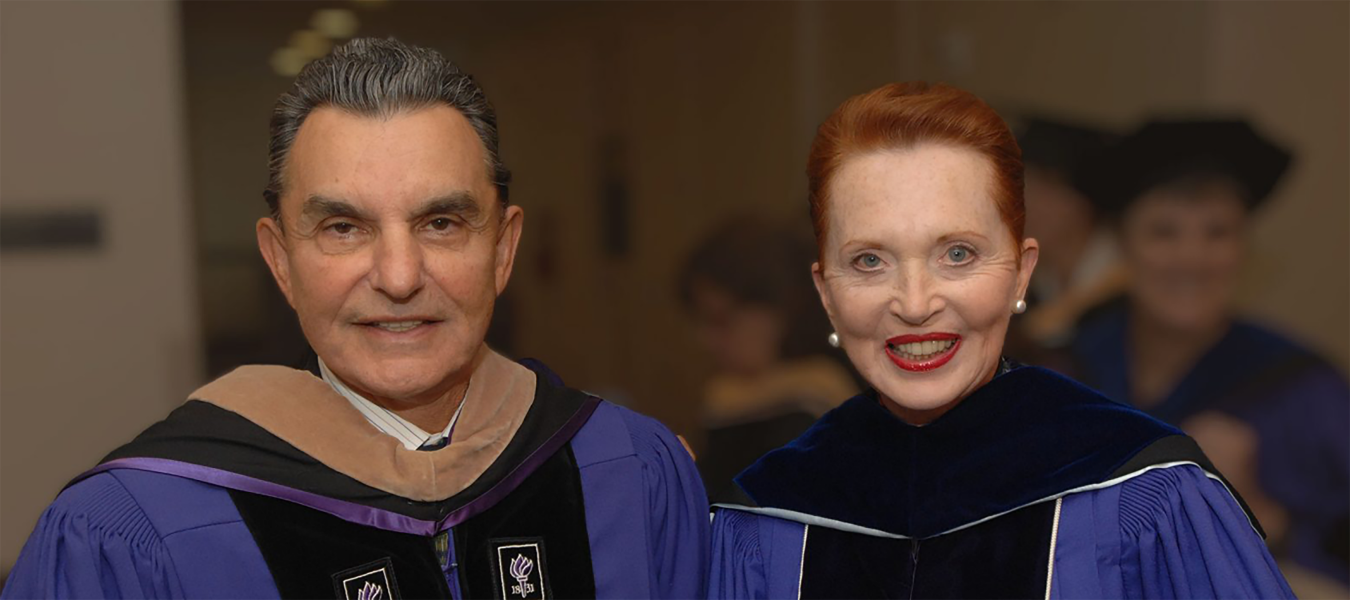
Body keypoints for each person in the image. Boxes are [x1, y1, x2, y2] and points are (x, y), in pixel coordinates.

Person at [2, 38, 708, 600]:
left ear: (504, 248)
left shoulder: (628, 473)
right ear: (281, 260)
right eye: (343, 227)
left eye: (441, 222)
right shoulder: (131, 527)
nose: (399, 277)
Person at [707, 82, 1295, 599]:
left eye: (957, 254)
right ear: (826, 291)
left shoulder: (1146, 492)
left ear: (1021, 272)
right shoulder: (766, 516)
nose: (915, 303)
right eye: (868, 260)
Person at [1071, 119, 1350, 593]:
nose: (1192, 258)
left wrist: (1264, 515)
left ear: (1243, 249)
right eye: (1164, 232)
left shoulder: (1306, 391)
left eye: (1218, 233)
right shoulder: (1067, 374)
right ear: (1123, 246)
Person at [678, 217, 857, 504]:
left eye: (721, 320)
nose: (707, 340)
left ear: (778, 308)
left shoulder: (816, 401)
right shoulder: (729, 396)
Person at [1011, 116, 1126, 355]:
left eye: (1046, 188)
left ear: (1084, 201)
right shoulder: (1031, 283)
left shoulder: (1135, 292)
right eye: (1022, 187)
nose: (1026, 204)